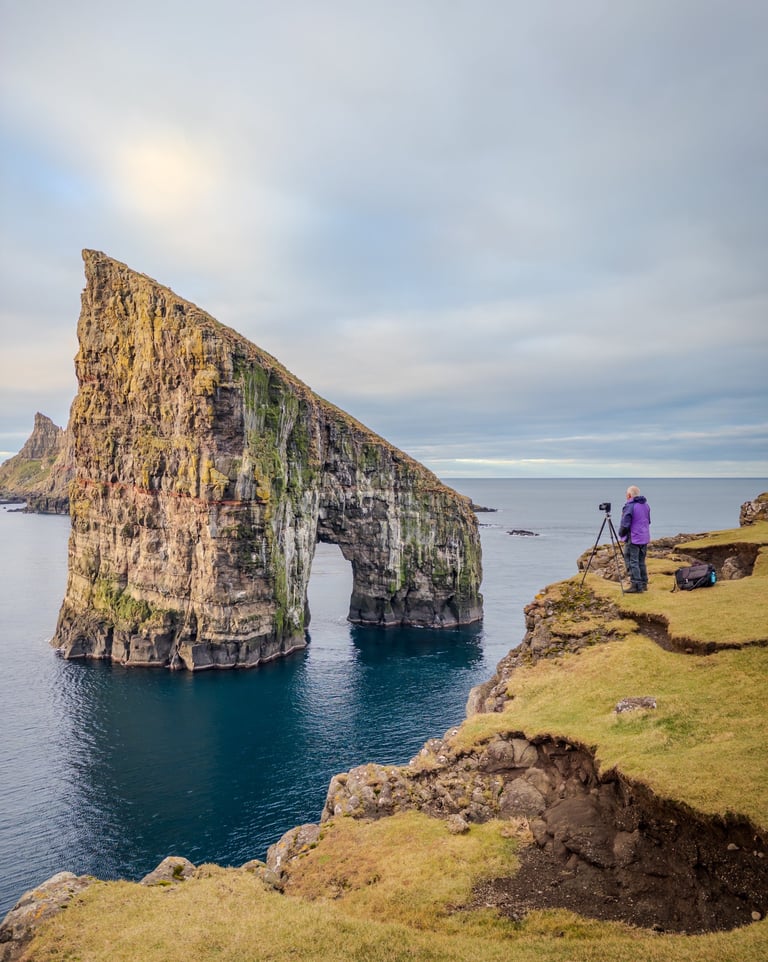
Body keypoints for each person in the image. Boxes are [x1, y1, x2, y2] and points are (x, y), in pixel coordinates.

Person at [618, 485, 651, 593]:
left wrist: (621, 533)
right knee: (641, 561)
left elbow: (625, 524)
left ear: (629, 495)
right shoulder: (646, 505)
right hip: (644, 537)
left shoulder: (630, 506)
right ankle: (644, 583)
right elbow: (648, 521)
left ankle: (636, 585)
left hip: (634, 538)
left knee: (632, 561)